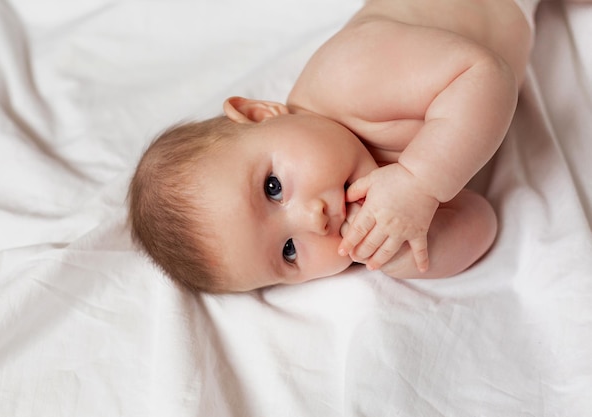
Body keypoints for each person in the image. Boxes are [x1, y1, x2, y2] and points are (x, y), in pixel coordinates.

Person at [128, 0, 539, 293]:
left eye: (273, 188)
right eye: (290, 252)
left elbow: (486, 74)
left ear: (261, 114)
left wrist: (421, 181)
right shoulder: (378, 206)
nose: (314, 219)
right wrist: (405, 254)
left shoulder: (348, 76)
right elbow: (482, 222)